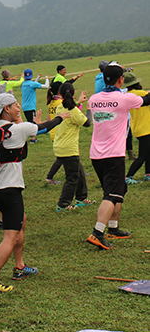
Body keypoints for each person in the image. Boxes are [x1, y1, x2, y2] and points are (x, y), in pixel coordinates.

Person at [0, 94, 69, 294]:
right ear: (6, 110)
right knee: (10, 237)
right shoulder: (19, 129)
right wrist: (62, 117)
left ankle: (19, 266)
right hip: (10, 191)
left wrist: (31, 124)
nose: (19, 107)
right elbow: (46, 127)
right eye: (15, 105)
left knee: (22, 220)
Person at [86, 64, 150, 249]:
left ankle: (113, 228)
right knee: (111, 195)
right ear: (121, 80)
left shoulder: (94, 98)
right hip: (113, 155)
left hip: (96, 154)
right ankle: (98, 233)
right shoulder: (125, 98)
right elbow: (146, 100)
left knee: (119, 190)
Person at [52, 84, 92, 211]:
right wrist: (89, 109)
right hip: (69, 149)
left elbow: (71, 108)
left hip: (60, 146)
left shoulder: (60, 107)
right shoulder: (73, 110)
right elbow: (87, 123)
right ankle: (63, 204)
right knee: (72, 177)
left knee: (79, 172)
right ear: (73, 93)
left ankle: (81, 198)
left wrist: (78, 102)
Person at [124, 71, 150, 184]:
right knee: (143, 155)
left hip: (136, 128)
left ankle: (148, 174)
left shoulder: (127, 95)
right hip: (146, 128)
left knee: (148, 152)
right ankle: (128, 176)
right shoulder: (142, 93)